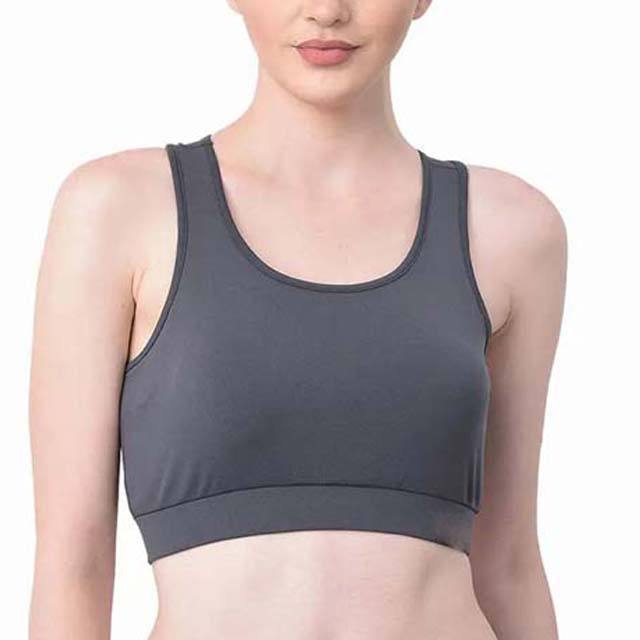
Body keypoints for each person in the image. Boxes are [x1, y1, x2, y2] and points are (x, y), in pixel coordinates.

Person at [28, 1, 566, 638]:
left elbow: (509, 564)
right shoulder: (117, 208)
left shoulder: (511, 230)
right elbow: (74, 565)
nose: (327, 10)